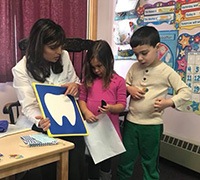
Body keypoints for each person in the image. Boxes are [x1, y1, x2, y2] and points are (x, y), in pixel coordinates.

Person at [12, 18, 85, 180]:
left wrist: (75, 86)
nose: (59, 51)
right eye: (53, 47)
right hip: (41, 122)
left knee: (76, 150)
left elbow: (77, 82)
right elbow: (29, 106)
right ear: (39, 46)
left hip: (66, 118)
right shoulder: (20, 69)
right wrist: (40, 121)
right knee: (47, 165)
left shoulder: (64, 57)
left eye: (61, 46)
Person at [117, 26, 191, 180]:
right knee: (125, 160)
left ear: (157, 47)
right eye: (136, 54)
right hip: (131, 123)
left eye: (144, 53)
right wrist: (129, 88)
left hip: (152, 126)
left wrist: (169, 102)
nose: (140, 58)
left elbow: (186, 92)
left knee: (150, 164)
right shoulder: (134, 67)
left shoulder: (166, 71)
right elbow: (122, 85)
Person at [78, 40, 127, 180]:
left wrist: (111, 108)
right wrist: (86, 112)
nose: (96, 70)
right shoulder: (88, 79)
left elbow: (122, 104)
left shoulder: (119, 81)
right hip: (92, 127)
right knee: (92, 159)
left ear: (109, 61)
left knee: (106, 160)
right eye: (93, 67)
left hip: (108, 129)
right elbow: (82, 99)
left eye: (99, 66)